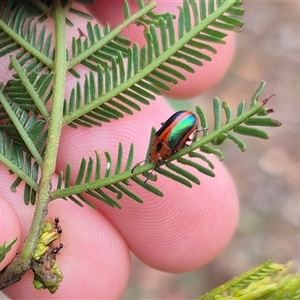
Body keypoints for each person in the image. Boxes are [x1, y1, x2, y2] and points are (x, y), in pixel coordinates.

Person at [0, 1, 239, 298]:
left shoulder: (160, 145)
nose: (157, 159)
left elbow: (174, 137)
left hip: (184, 123)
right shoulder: (160, 147)